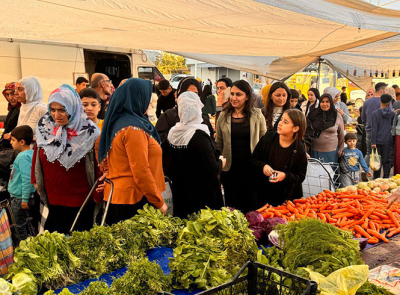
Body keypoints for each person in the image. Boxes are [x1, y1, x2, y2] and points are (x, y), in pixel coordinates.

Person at [32, 84, 102, 234]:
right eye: (53, 109)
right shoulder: (45, 128)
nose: (57, 115)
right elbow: (37, 153)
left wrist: (98, 193)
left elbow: (98, 165)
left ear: (72, 108)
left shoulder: (90, 132)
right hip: (53, 199)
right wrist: (35, 179)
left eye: (62, 110)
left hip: (81, 202)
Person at [98, 78, 167, 225]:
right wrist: (159, 202)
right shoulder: (133, 129)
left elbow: (102, 147)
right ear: (137, 98)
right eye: (146, 97)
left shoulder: (117, 122)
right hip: (134, 201)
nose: (149, 103)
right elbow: (141, 171)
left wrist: (112, 173)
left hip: (121, 196)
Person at [167, 92, 223, 218]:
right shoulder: (198, 135)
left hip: (181, 193)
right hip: (202, 196)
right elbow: (213, 168)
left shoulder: (174, 133)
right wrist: (221, 162)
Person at [216, 80, 266, 212]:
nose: (233, 98)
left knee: (251, 207)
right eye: (232, 94)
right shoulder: (223, 116)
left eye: (238, 94)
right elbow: (218, 144)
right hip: (230, 169)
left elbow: (263, 142)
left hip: (251, 168)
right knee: (232, 207)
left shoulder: (257, 115)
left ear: (247, 96)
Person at [156, 78, 213, 177]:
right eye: (187, 93)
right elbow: (158, 140)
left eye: (195, 93)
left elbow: (211, 144)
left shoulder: (202, 119)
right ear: (178, 95)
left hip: (199, 173)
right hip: (175, 172)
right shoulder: (168, 116)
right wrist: (179, 134)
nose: (191, 97)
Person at [252, 109, 307, 206]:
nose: (280, 123)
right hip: (263, 194)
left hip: (287, 200)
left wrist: (285, 176)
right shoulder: (268, 138)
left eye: (285, 122)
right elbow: (254, 159)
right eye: (281, 119)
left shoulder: (299, 148)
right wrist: (263, 166)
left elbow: (300, 176)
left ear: (295, 128)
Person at [8, 126, 35, 240]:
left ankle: (24, 248)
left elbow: (27, 179)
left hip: (20, 199)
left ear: (22, 142)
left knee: (19, 226)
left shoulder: (22, 156)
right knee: (27, 224)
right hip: (25, 197)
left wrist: (24, 199)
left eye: (13, 140)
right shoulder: (31, 153)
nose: (11, 142)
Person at [304, 93, 344, 164]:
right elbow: (306, 130)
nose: (324, 104)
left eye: (327, 102)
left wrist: (341, 149)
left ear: (331, 103)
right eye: (322, 102)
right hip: (314, 151)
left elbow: (341, 134)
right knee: (316, 173)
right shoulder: (313, 114)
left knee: (329, 173)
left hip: (331, 152)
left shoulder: (337, 116)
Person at [361, 82, 389, 165]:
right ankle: (379, 175)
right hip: (383, 132)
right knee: (382, 154)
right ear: (381, 91)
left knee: (369, 153)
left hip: (369, 131)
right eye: (386, 90)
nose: (387, 92)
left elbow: (363, 118)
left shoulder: (367, 102)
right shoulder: (386, 101)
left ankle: (364, 171)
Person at [371, 94, 395, 179]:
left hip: (377, 141)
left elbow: (374, 129)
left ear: (380, 101)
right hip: (388, 140)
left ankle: (376, 179)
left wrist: (373, 142)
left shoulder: (375, 113)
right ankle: (386, 178)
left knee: (377, 160)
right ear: (389, 104)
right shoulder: (392, 114)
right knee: (386, 161)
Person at [0, 83, 21, 149]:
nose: (10, 98)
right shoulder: (13, 109)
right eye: (7, 94)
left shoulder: (22, 109)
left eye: (13, 93)